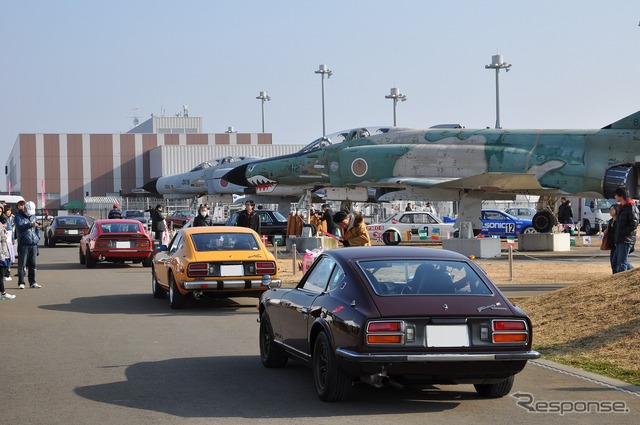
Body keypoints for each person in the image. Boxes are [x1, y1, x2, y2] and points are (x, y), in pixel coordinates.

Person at [13, 200, 41, 289]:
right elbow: (19, 227)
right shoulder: (18, 216)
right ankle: (21, 283)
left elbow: (38, 227)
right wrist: (30, 224)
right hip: (23, 243)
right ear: (24, 208)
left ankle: (32, 282)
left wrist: (38, 237)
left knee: (33, 264)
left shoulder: (33, 216)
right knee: (22, 265)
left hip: (33, 243)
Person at [612, 187, 639, 273]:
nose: (615, 196)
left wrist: (623, 233)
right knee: (615, 261)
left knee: (621, 264)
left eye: (616, 195)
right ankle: (634, 273)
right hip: (620, 239)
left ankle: (622, 282)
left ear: (621, 196)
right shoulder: (621, 207)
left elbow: (634, 223)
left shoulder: (631, 207)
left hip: (626, 239)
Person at [0, 215, 16, 300]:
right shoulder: (1, 229)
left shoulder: (3, 229)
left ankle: (2, 293)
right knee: (1, 275)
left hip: (4, 253)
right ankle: (3, 293)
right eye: (5, 224)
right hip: (2, 254)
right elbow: (2, 242)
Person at [602, 204, 619, 273]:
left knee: (618, 262)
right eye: (610, 209)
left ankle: (631, 271)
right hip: (612, 245)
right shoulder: (610, 221)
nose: (610, 211)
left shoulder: (619, 221)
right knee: (613, 263)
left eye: (612, 209)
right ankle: (614, 276)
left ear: (617, 210)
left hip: (618, 244)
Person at [2, 204, 15, 281]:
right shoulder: (4, 218)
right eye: (7, 210)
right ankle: (5, 274)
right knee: (6, 257)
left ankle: (6, 273)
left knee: (10, 257)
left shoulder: (8, 218)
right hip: (6, 240)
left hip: (9, 240)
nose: (9, 212)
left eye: (10, 210)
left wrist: (13, 238)